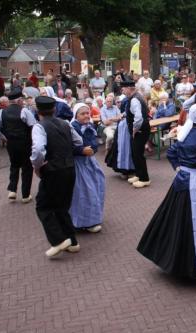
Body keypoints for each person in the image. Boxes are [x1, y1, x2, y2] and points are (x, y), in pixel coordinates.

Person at [137, 103, 196, 278]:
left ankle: (172, 259)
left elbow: (173, 152)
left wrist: (179, 169)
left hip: (182, 181)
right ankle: (191, 266)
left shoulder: (186, 134)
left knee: (178, 221)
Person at [31, 96, 82, 258]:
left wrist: (37, 165)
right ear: (54, 109)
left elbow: (38, 150)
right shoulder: (65, 124)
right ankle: (72, 242)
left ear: (38, 111)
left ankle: (59, 240)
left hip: (52, 170)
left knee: (43, 206)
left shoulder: (39, 127)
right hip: (69, 168)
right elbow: (78, 141)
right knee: (62, 206)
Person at [0, 89, 36, 202]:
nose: (23, 101)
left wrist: (2, 136)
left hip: (11, 144)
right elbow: (34, 127)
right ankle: (25, 195)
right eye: (22, 99)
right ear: (18, 100)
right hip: (25, 144)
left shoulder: (2, 112)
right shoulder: (25, 111)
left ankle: (12, 191)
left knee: (14, 165)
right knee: (26, 168)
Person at [69, 103, 106, 234]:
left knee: (97, 185)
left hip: (89, 162)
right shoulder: (72, 127)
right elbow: (68, 147)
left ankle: (93, 216)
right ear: (76, 115)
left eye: (87, 113)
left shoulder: (89, 125)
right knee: (84, 191)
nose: (86, 115)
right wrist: (81, 150)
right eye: (82, 114)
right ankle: (85, 222)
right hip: (79, 163)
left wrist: (92, 149)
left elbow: (94, 144)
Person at [122, 81, 151, 188]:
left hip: (140, 130)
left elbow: (138, 118)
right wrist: (125, 114)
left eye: (124, 88)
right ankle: (138, 175)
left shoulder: (134, 99)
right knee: (135, 153)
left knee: (138, 154)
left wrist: (134, 129)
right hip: (140, 130)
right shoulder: (136, 97)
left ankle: (144, 179)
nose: (122, 90)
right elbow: (133, 111)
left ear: (130, 88)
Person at [105, 95, 135, 179]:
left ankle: (129, 170)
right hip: (121, 129)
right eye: (117, 102)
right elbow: (120, 117)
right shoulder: (124, 105)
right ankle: (124, 170)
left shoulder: (129, 103)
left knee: (128, 149)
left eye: (119, 103)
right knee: (121, 149)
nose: (118, 104)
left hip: (126, 128)